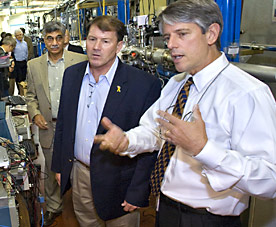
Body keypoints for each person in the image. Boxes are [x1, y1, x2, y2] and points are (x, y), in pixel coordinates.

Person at [93, 1, 276, 226]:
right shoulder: (178, 84)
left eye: (182, 34)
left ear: (211, 34)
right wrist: (127, 140)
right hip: (166, 209)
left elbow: (270, 180)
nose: (171, 44)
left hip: (209, 220)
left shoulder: (246, 93)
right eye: (168, 36)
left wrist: (204, 150)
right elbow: (155, 131)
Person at [51, 15, 161, 226]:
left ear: (119, 45)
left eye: (105, 41)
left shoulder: (144, 85)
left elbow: (151, 142)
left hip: (119, 181)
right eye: (92, 39)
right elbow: (64, 124)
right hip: (81, 174)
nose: (96, 47)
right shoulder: (72, 75)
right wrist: (60, 166)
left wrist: (138, 191)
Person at [25, 21, 87, 226]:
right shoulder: (34, 66)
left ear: (65, 38)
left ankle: (83, 208)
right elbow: (30, 96)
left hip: (76, 126)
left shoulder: (80, 60)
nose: (54, 43)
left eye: (58, 37)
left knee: (80, 169)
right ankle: (54, 207)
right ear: (44, 40)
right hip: (49, 126)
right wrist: (35, 115)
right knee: (52, 170)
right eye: (50, 38)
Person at [12, 29, 28, 96]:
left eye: (20, 35)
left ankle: (24, 93)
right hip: (17, 63)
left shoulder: (25, 43)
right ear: (15, 36)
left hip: (24, 62)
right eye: (17, 35)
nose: (19, 36)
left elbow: (26, 52)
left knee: (24, 79)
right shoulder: (14, 44)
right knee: (19, 79)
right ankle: (20, 93)